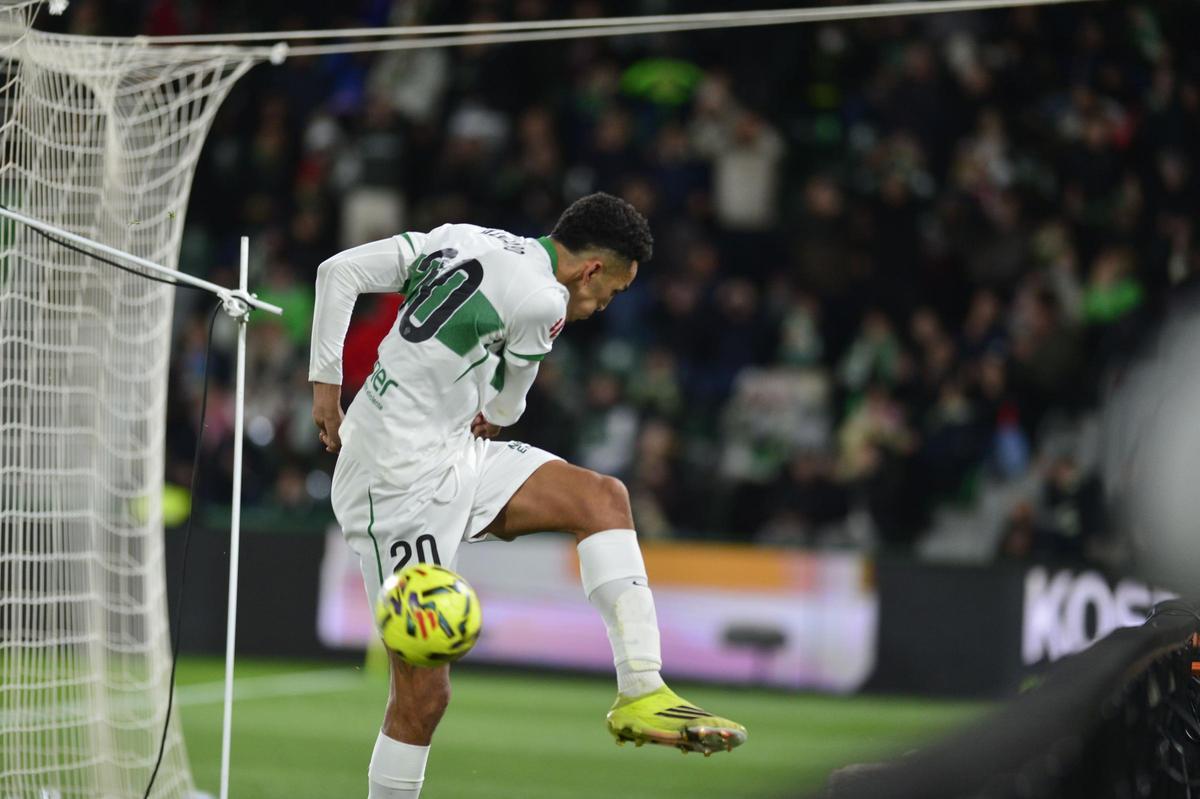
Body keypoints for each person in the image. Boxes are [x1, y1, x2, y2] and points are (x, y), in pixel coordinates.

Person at [309, 192, 746, 799]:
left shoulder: (462, 236)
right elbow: (510, 407)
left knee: (600, 499)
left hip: (450, 449)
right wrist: (494, 405)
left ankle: (642, 690)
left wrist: (326, 385)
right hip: (394, 486)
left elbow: (339, 271)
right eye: (611, 291)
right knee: (424, 694)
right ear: (589, 270)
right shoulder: (547, 301)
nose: (602, 304)